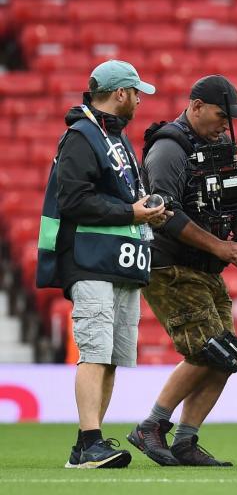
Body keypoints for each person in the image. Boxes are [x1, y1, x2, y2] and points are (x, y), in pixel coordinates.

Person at [36, 60, 164, 468]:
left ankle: (85, 446)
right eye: (137, 92)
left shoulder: (115, 138)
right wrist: (132, 213)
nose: (140, 100)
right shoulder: (81, 136)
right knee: (94, 351)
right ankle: (90, 440)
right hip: (89, 259)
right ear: (121, 93)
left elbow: (122, 198)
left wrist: (146, 212)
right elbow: (74, 201)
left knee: (110, 356)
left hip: (120, 261)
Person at [126, 75, 237, 467]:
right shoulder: (169, 148)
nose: (226, 126)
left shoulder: (216, 145)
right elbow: (163, 213)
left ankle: (185, 440)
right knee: (208, 349)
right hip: (170, 266)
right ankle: (151, 426)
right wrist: (221, 245)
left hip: (204, 268)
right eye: (221, 116)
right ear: (195, 106)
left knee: (228, 355)